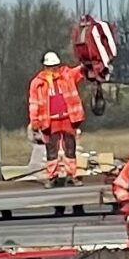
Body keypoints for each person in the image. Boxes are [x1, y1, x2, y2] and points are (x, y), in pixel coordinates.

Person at [26, 50, 84, 185]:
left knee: (70, 148)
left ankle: (72, 175)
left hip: (68, 119)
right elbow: (33, 102)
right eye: (51, 67)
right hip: (49, 121)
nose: (54, 70)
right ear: (45, 67)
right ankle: (52, 176)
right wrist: (34, 120)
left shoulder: (67, 76)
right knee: (51, 150)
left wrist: (89, 62)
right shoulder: (37, 83)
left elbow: (81, 70)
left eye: (55, 67)